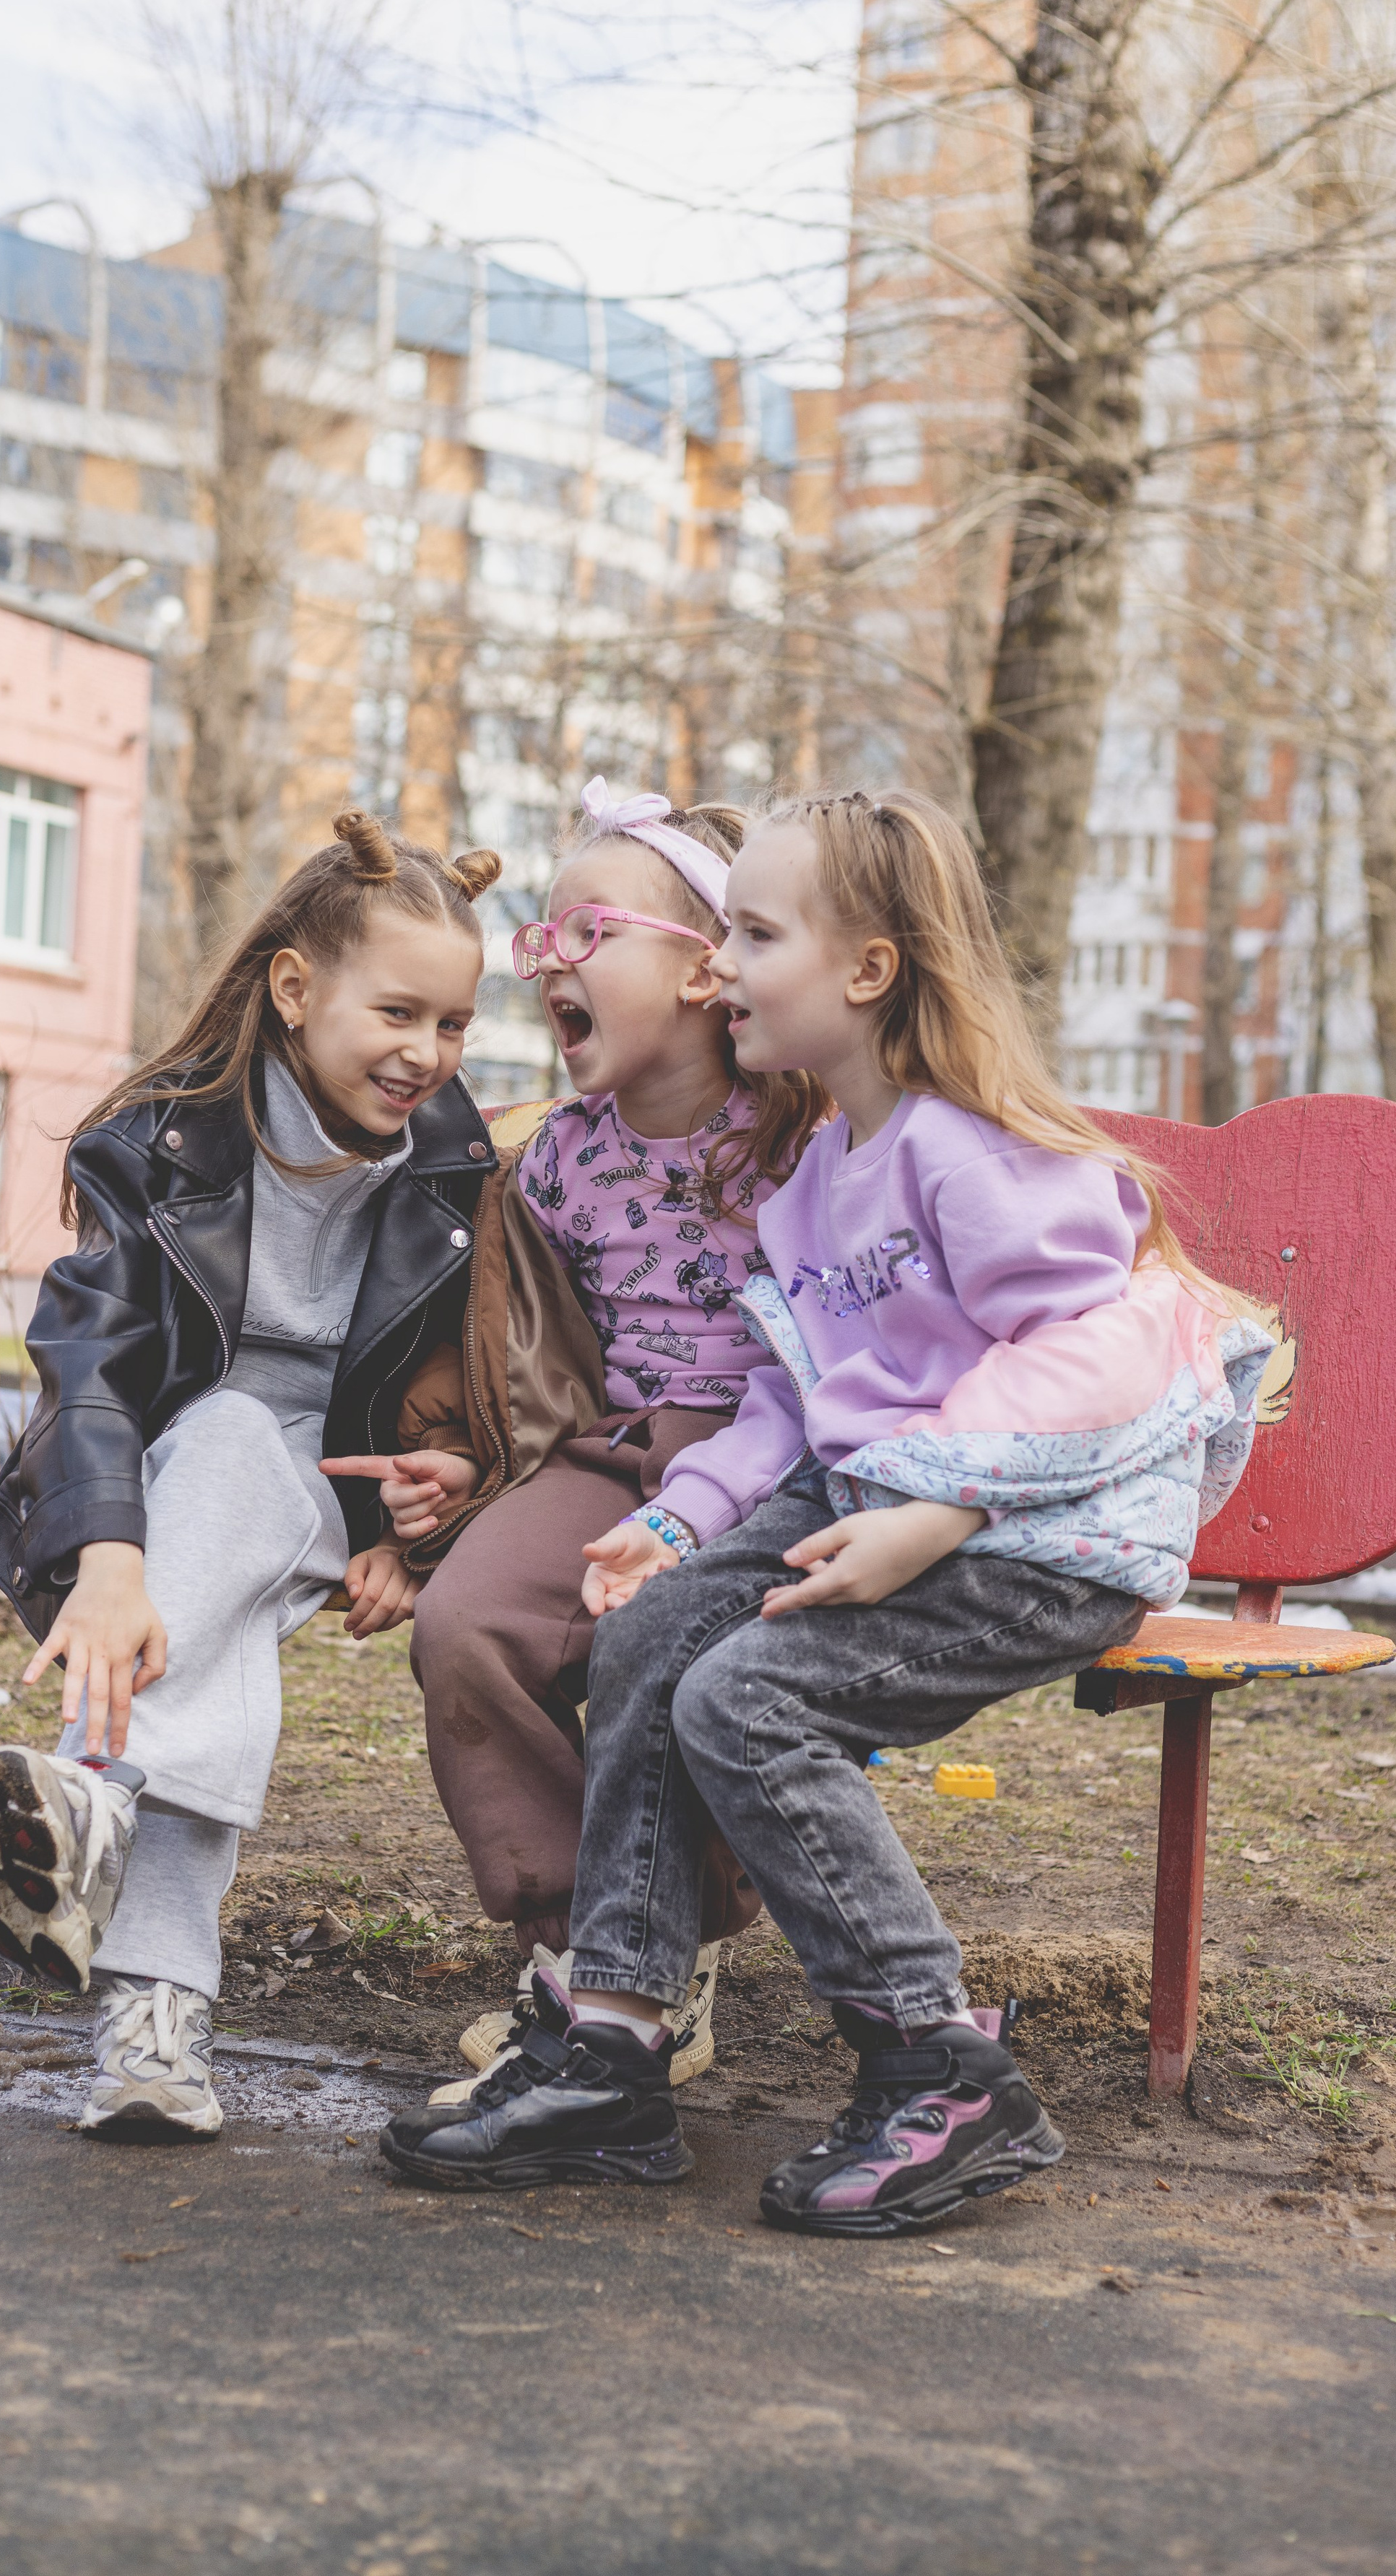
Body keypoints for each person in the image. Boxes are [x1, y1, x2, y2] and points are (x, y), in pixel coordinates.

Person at [379, 788, 1274, 2232]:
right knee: (652, 1632)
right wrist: (679, 1518)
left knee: (742, 1701)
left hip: (1045, 1540)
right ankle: (610, 2042)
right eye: (719, 930)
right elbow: (795, 1406)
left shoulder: (969, 1148)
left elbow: (1096, 1352)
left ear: (866, 969)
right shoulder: (814, 1188)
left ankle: (940, 2064)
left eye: (753, 933)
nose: (723, 965)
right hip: (892, 1505)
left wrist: (931, 1505)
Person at [0, 809, 504, 2144]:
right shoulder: (157, 1142)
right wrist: (114, 1557)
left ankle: (91, 1795)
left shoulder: (461, 1169)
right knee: (212, 1610)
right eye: (400, 1012)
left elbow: (484, 1377)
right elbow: (90, 1360)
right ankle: (156, 2026)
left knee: (245, 1452)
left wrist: (434, 1514)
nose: (428, 1053)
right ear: (297, 991)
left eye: (458, 1024)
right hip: (169, 1482)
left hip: (334, 1486)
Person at [334, 782, 825, 2101]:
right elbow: (526, 1361)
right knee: (474, 1624)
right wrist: (474, 1476)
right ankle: (578, 1955)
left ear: (708, 966)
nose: (547, 960)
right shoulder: (553, 1163)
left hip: (779, 1464)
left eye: (585, 931)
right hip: (613, 1453)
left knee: (675, 1652)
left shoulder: (803, 1135)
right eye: (539, 942)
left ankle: (663, 1955)